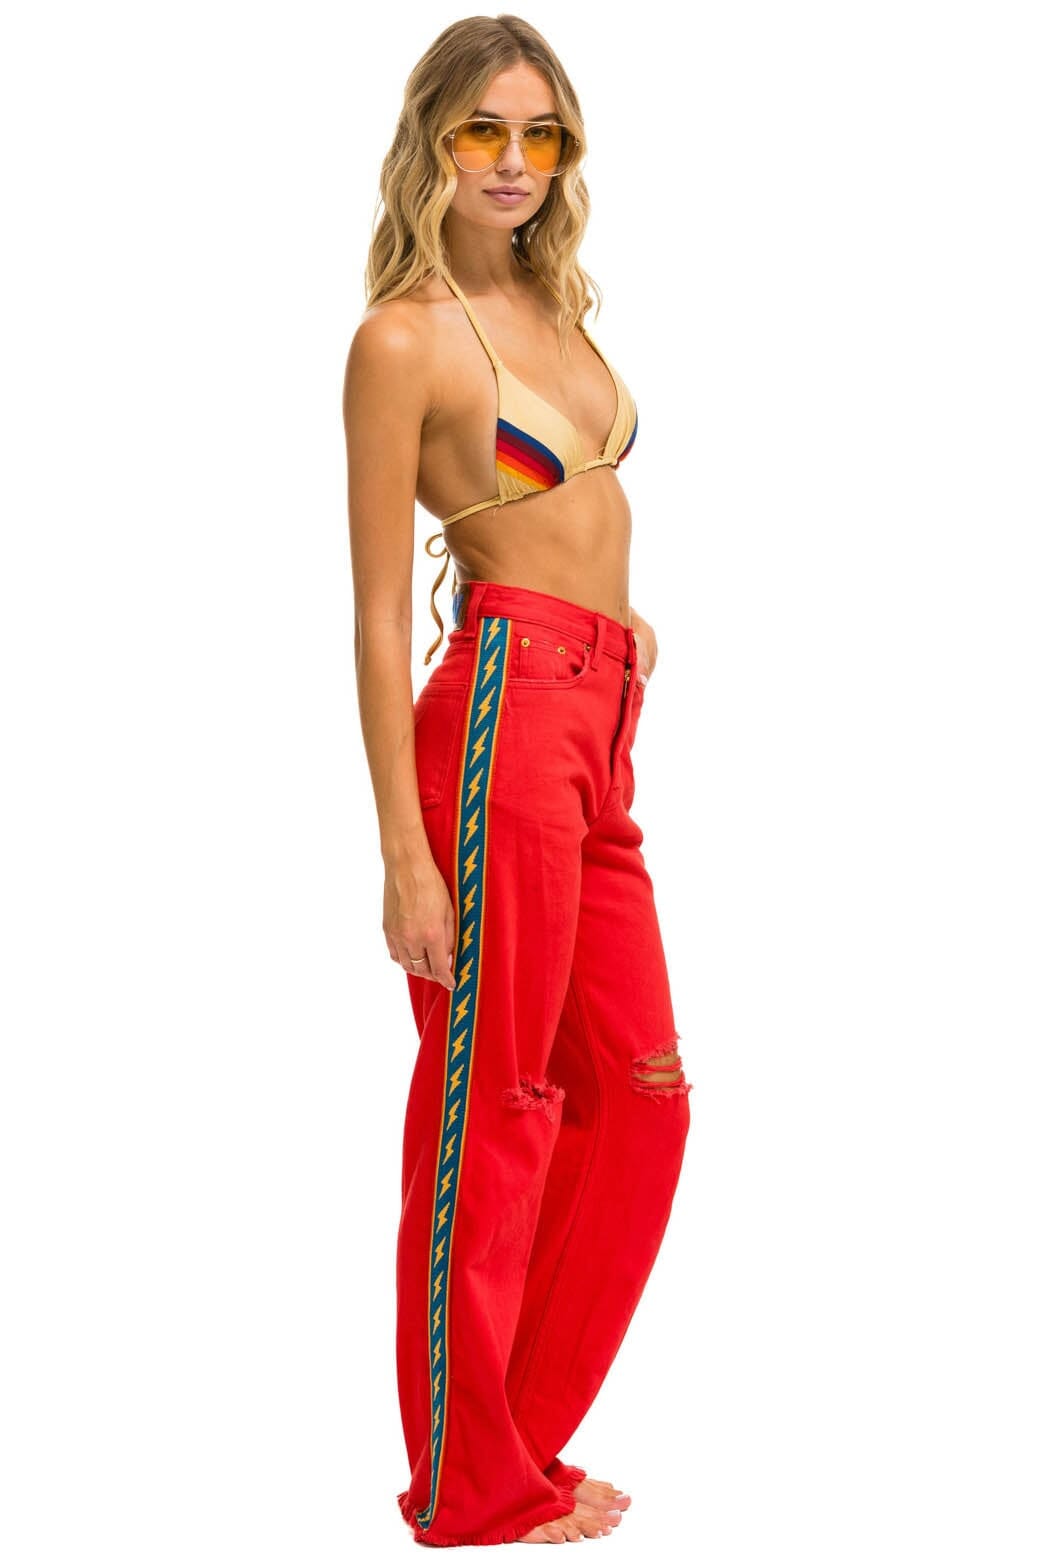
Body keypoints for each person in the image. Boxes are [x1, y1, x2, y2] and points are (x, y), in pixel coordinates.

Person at [342, 15, 693, 1547]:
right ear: (434, 139)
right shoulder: (405, 340)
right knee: (499, 1105)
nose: (513, 161)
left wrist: (618, 631)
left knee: (641, 1099)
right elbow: (375, 610)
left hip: (595, 720)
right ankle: (467, 1488)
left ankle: (517, 1449)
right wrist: (405, 855)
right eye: (483, 130)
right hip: (496, 724)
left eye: (539, 133)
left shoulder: (555, 306)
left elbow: (579, 516)